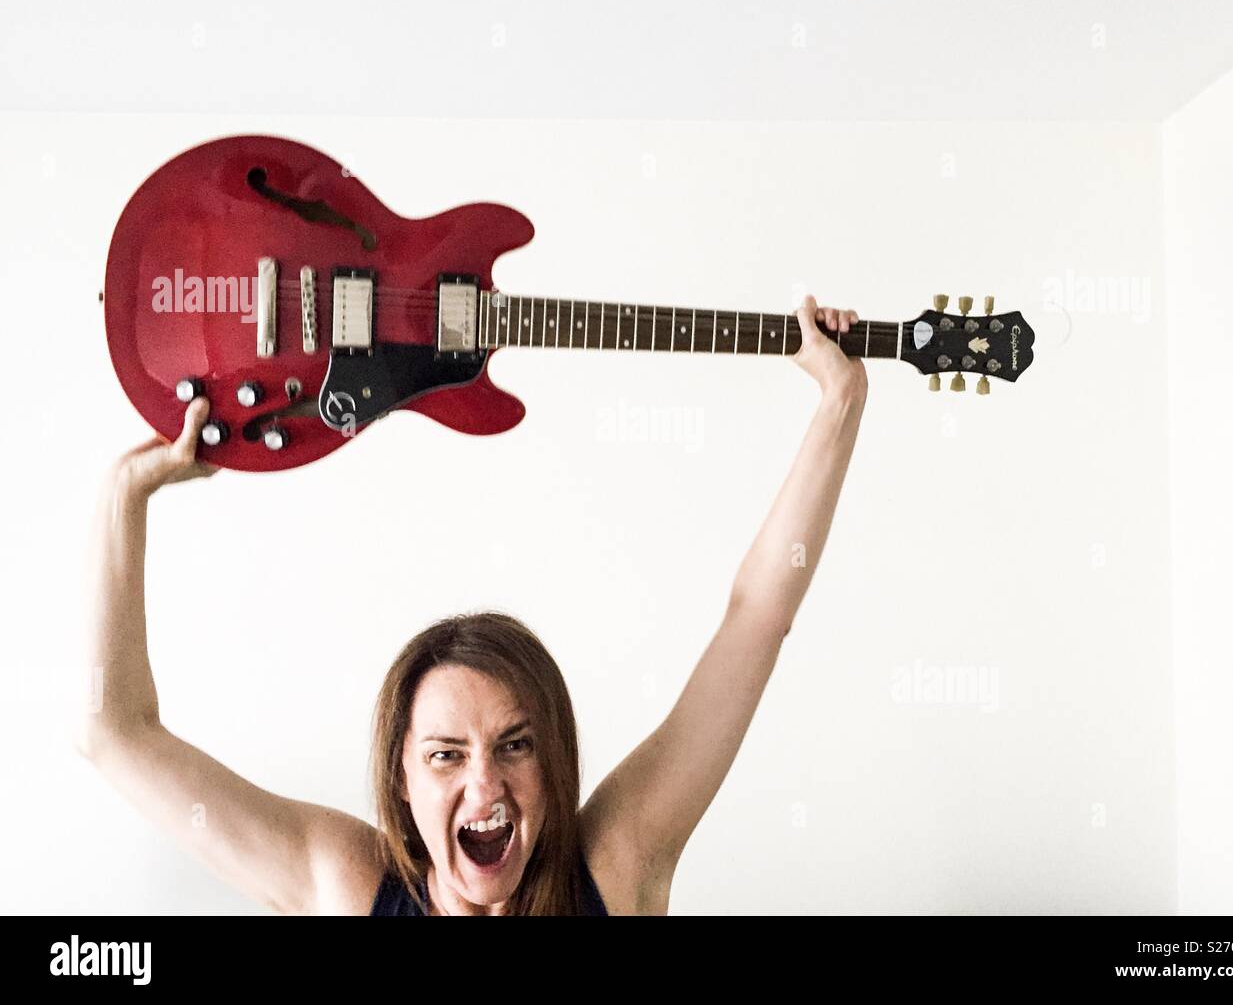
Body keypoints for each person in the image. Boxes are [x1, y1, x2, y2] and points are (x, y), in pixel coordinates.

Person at [77, 296, 869, 915]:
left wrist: (839, 403)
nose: (485, 785)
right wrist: (124, 498)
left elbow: (757, 614)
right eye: (446, 754)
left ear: (555, 761)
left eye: (517, 745)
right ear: (401, 781)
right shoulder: (351, 888)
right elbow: (117, 735)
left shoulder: (619, 867)